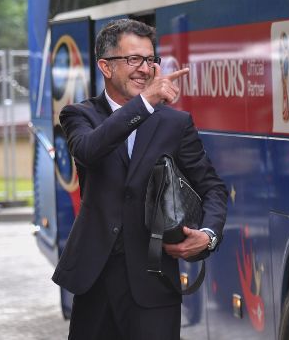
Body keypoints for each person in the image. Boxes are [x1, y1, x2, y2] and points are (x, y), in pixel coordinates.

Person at [52, 19, 228, 339]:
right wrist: (145, 103)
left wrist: (208, 234)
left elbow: (212, 187)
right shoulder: (79, 115)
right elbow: (90, 151)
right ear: (106, 67)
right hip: (95, 281)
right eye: (134, 59)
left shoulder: (176, 123)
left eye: (150, 60)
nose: (144, 69)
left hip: (154, 281)